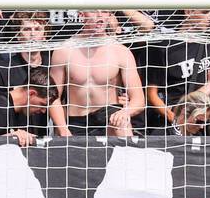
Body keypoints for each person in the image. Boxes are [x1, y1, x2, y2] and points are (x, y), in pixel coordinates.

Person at [49, 10, 142, 138]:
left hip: (110, 117)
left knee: (122, 124)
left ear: (109, 15)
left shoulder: (121, 52)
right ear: (81, 15)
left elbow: (139, 99)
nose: (99, 16)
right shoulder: (64, 51)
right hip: (75, 120)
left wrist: (126, 111)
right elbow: (52, 96)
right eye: (94, 11)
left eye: (104, 12)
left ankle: (127, 154)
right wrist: (62, 129)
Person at [0, 65, 54, 146]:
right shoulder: (0, 106)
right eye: (43, 105)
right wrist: (12, 138)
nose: (43, 111)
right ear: (31, 93)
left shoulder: (22, 111)